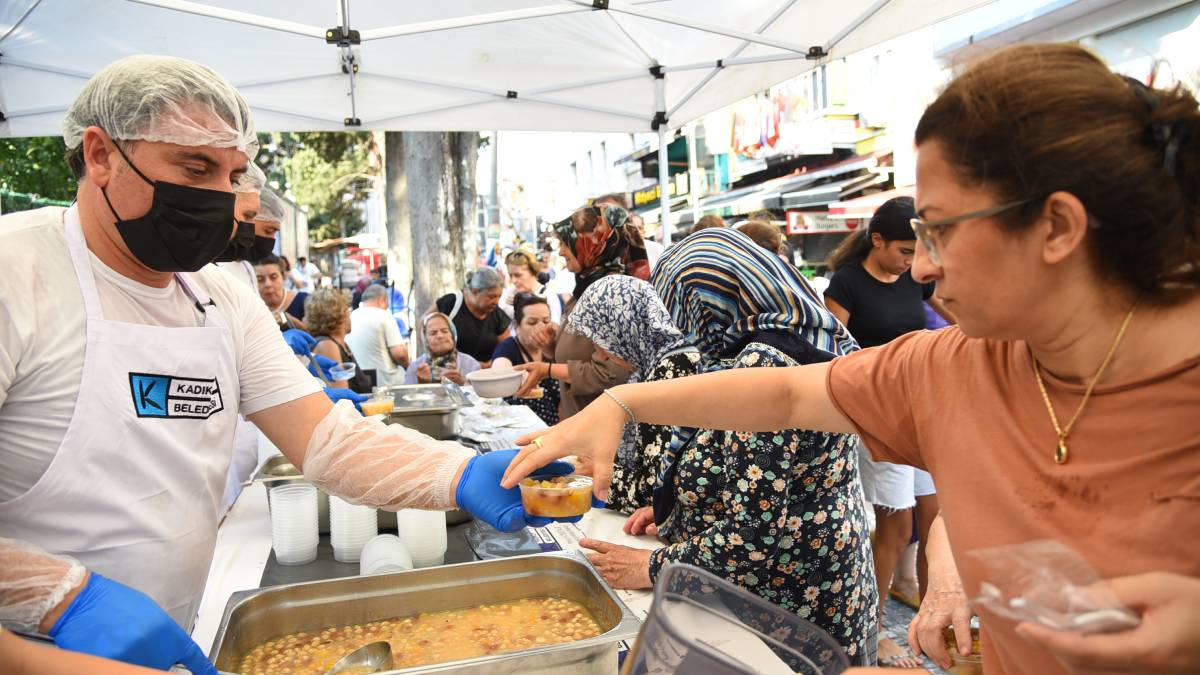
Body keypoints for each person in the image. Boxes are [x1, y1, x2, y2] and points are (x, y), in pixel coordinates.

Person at [503, 43, 1200, 675]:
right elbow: (788, 396)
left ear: (1055, 227)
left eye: (940, 230)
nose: (922, 268)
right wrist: (623, 404)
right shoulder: (958, 366)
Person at [0, 54, 577, 674]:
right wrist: (61, 601)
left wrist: (458, 473)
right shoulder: (17, 272)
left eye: (233, 174)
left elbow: (326, 438)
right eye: (194, 167)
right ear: (101, 155)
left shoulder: (220, 294)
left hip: (175, 630)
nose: (220, 196)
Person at [573, 236, 878, 665]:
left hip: (791, 597)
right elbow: (746, 471)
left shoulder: (768, 362)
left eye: (679, 307)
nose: (680, 326)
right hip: (814, 572)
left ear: (705, 303)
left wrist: (653, 567)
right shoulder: (787, 340)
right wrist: (679, 511)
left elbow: (755, 533)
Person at [824, 196, 954, 667]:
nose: (912, 263)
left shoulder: (915, 282)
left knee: (935, 515)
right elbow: (831, 349)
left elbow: (952, 317)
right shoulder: (847, 283)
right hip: (877, 415)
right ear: (876, 240)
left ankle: (933, 616)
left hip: (923, 411)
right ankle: (872, 627)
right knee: (895, 527)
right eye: (904, 251)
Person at [511, 204, 643, 417]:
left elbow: (612, 373)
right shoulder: (585, 287)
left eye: (566, 243)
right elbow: (581, 353)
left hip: (608, 431)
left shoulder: (613, 295)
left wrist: (548, 370)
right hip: (583, 422)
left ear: (594, 243)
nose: (561, 251)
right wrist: (551, 346)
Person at [491, 293, 561, 426]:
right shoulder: (508, 348)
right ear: (517, 326)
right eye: (532, 322)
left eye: (546, 321)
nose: (541, 328)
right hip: (521, 429)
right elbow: (499, 370)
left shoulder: (557, 348)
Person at [429, 268, 510, 366]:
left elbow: (506, 348)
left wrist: (491, 364)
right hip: (452, 370)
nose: (496, 302)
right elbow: (425, 325)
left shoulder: (496, 314)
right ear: (475, 291)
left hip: (485, 373)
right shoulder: (452, 304)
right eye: (491, 297)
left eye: (499, 296)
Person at [307, 288, 374, 394]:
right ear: (339, 316)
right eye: (347, 310)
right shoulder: (327, 346)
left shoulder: (339, 344)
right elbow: (342, 395)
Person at [347, 284, 409, 387]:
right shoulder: (384, 316)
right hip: (385, 382)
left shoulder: (351, 315)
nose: (387, 307)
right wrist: (408, 366)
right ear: (382, 300)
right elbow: (400, 354)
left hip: (359, 381)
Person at [406, 313, 481, 385]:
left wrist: (462, 384)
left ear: (453, 335)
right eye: (433, 333)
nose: (440, 336)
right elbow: (407, 396)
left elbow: (479, 396)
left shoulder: (471, 364)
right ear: (425, 340)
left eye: (444, 331)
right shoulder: (415, 368)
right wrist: (422, 384)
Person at [499, 249, 563, 324]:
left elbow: (553, 328)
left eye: (518, 275)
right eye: (510, 275)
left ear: (533, 272)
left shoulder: (548, 296)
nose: (513, 280)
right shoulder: (510, 293)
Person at [255, 253, 308, 331]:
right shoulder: (251, 309)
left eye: (273, 277)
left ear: (283, 276)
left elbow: (320, 337)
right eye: (260, 279)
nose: (268, 284)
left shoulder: (304, 301)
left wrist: (291, 321)